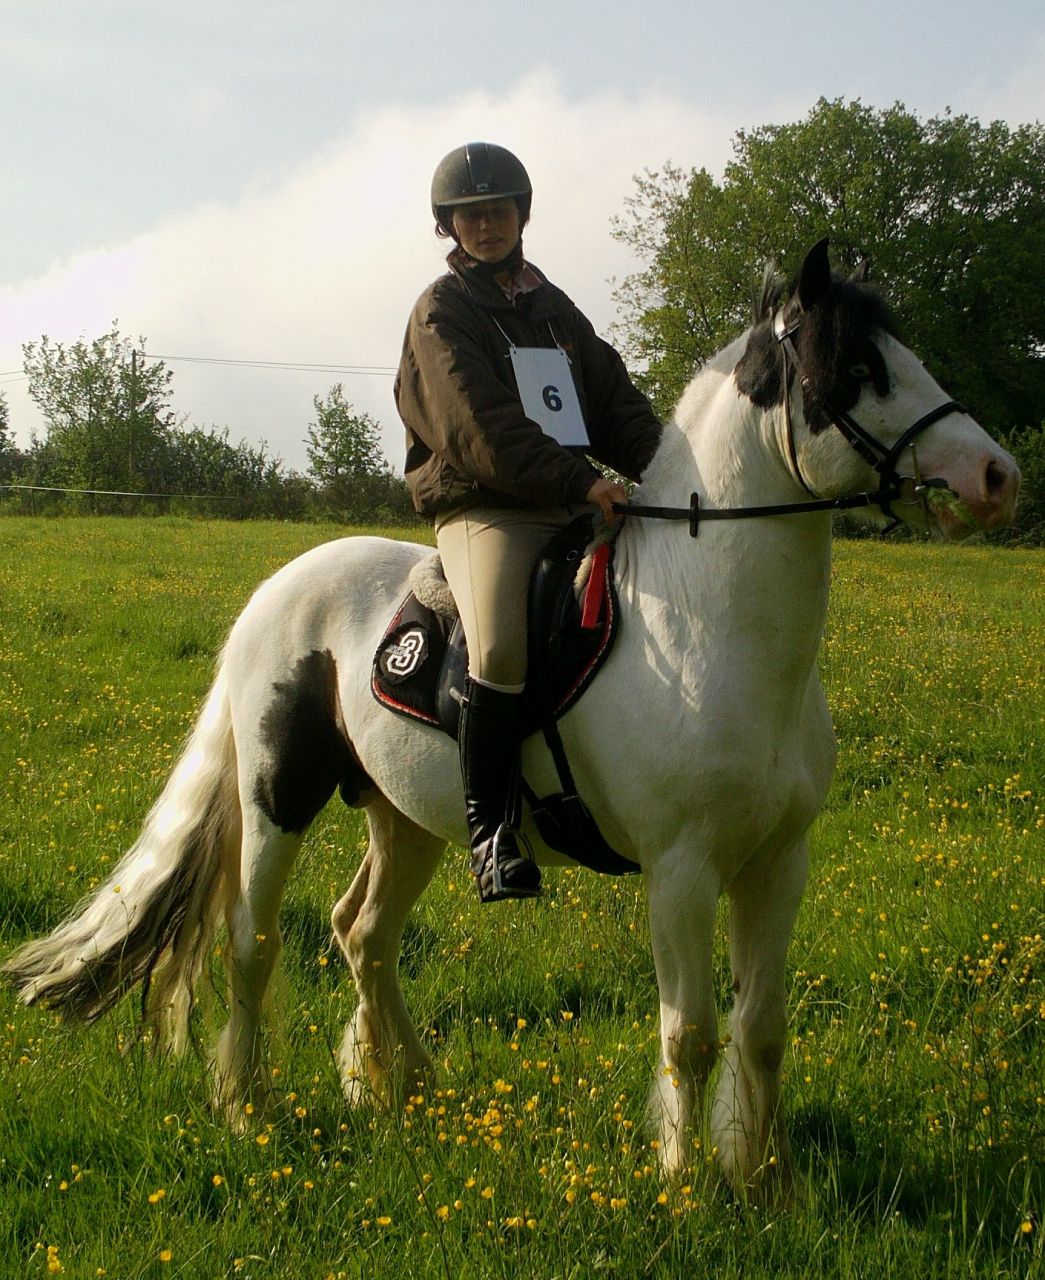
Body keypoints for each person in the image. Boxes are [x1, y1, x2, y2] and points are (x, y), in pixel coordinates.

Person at [395, 141, 661, 903]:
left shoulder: (553, 310)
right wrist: (580, 480)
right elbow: (476, 426)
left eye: (499, 211)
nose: (486, 225)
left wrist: (674, 469)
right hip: (485, 505)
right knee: (500, 646)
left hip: (573, 499)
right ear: (449, 226)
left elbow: (613, 405)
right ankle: (491, 832)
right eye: (470, 215)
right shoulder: (440, 311)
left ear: (521, 216)